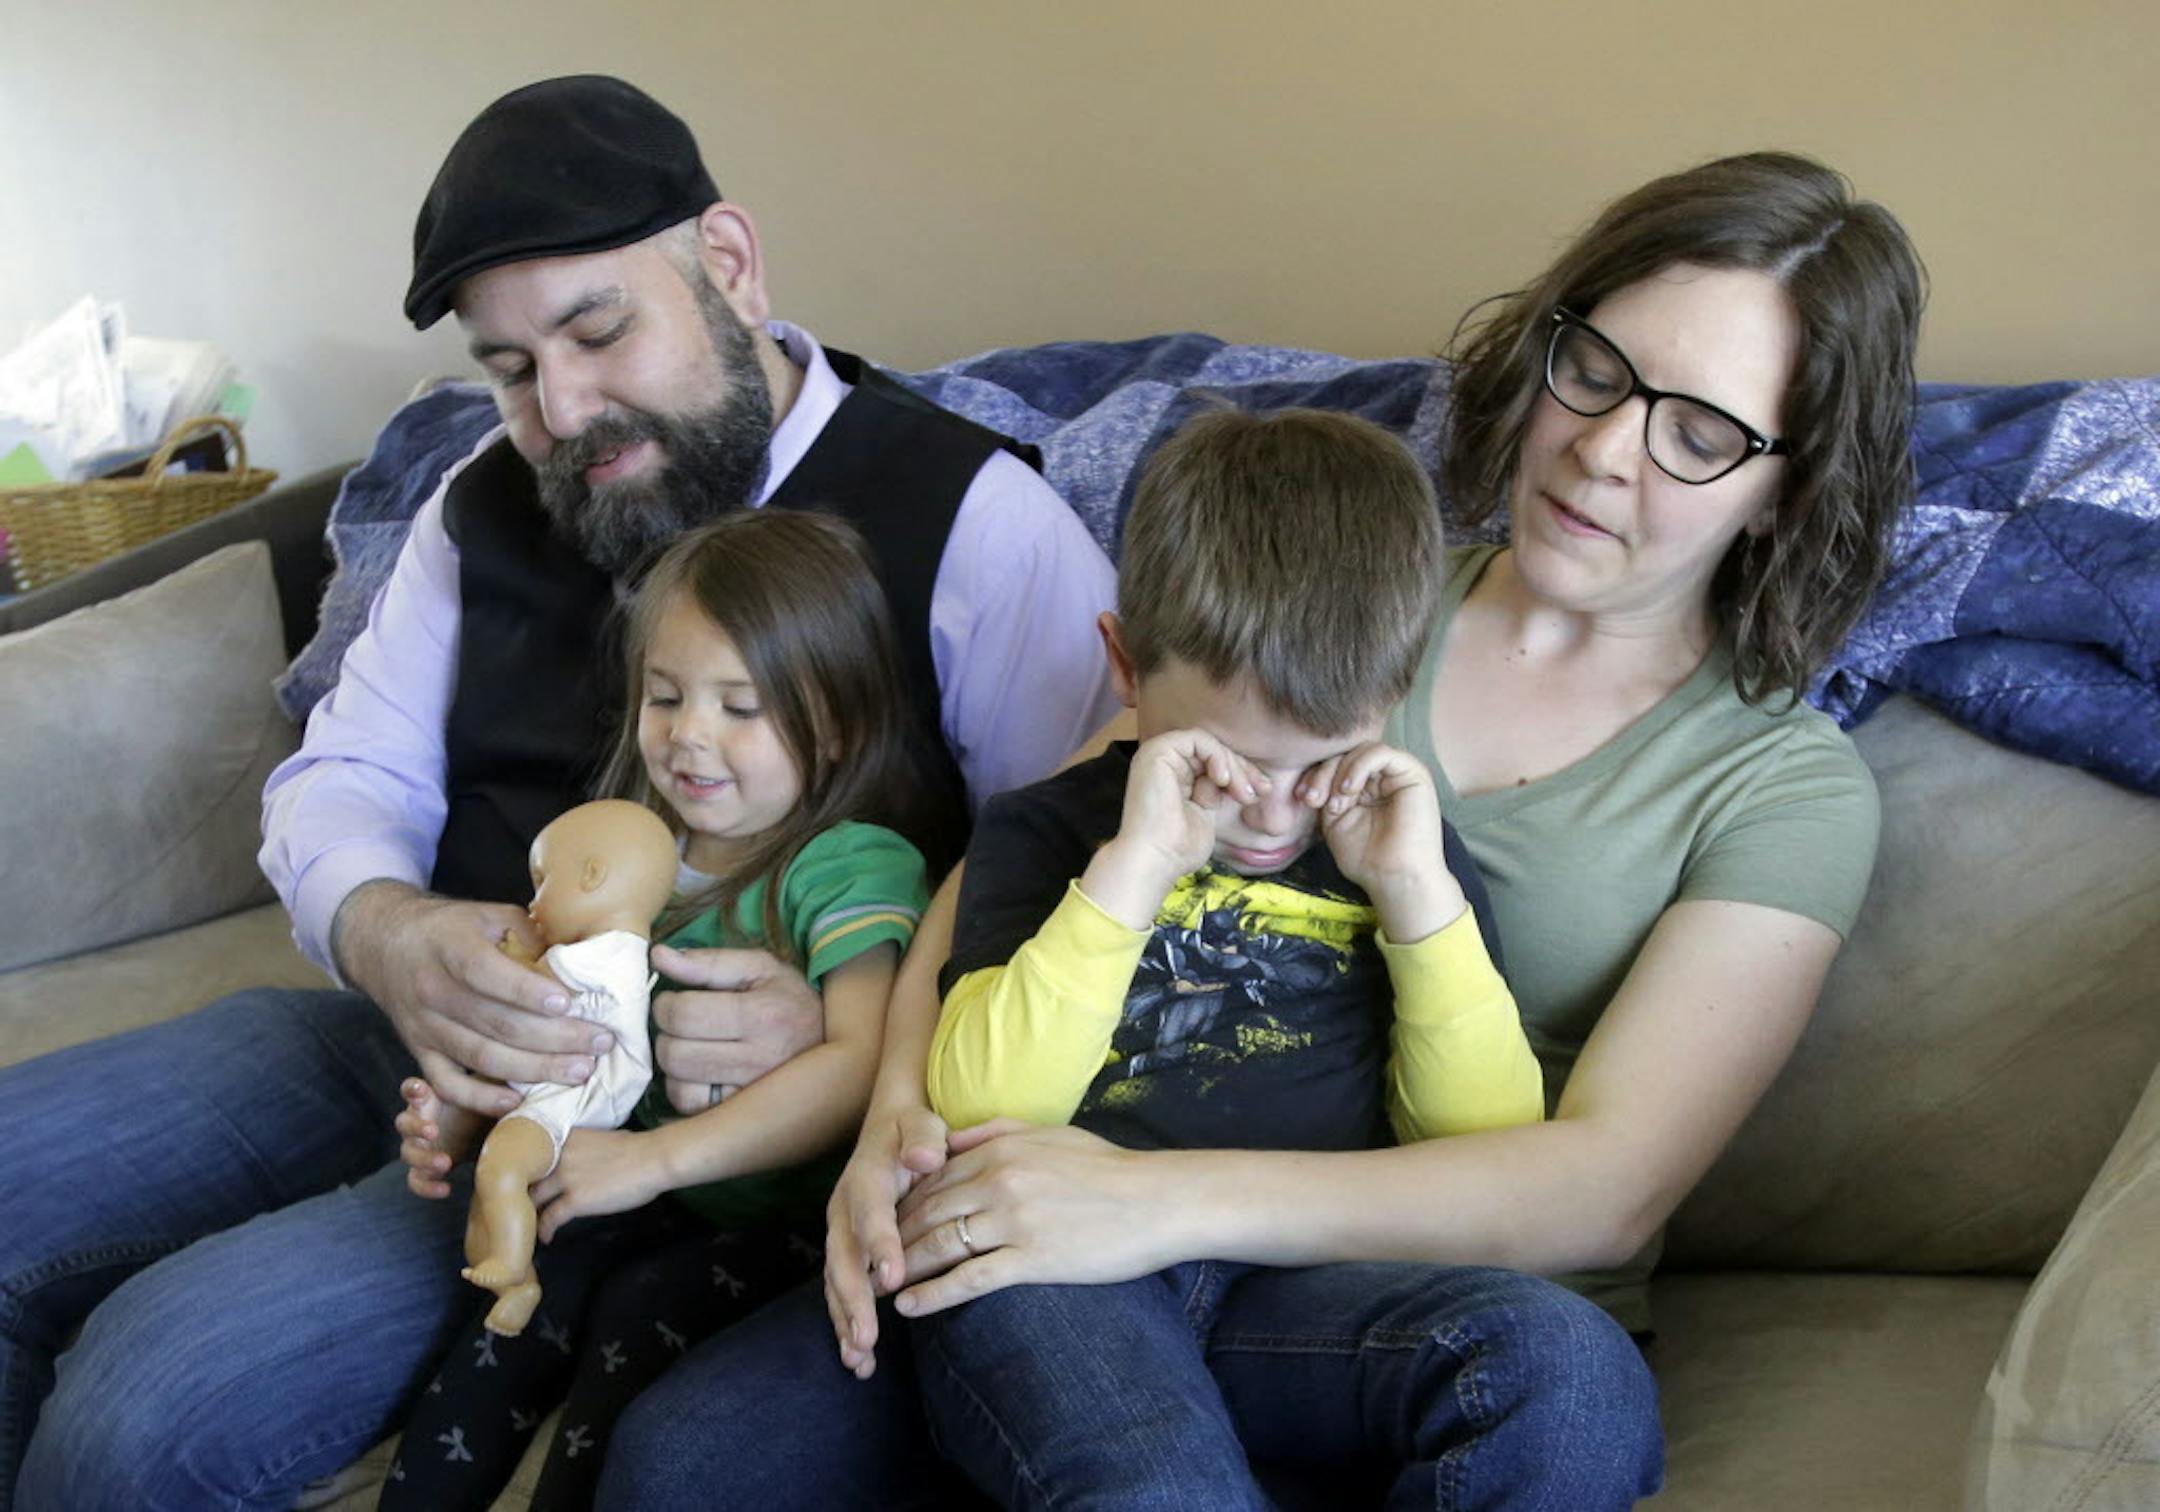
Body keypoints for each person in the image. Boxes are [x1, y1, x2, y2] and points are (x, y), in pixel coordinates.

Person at [596, 151, 1925, 1510]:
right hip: (1065, 1225)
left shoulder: (1781, 786)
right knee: (683, 1464)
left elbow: (1607, 1193)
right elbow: (1041, 843)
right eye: (1592, 369)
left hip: (1385, 1294)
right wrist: (894, 1112)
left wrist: (1164, 1205)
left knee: (1572, 1388)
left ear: (1788, 482)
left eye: (1700, 433)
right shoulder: (1341, 587)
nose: (1602, 447)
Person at [2, 75, 1116, 1509]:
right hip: (401, 1030)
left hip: (660, 1136)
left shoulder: (975, 520)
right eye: (513, 368)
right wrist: (393, 938)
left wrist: (861, 1031)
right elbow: (343, 774)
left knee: (151, 1405)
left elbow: (1084, 879)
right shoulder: (484, 497)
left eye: (599, 332)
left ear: (727, 263)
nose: (566, 407)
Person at [915, 407, 1547, 1504]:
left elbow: (1487, 1150)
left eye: (1325, 762)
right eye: (1227, 762)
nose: (1272, 812)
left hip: (1307, 1298)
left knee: (1565, 1368)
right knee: (1146, 1464)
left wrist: (1415, 901)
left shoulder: (1407, 856)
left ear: (1395, 694)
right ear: (1124, 665)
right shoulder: (1052, 835)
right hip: (1060, 1279)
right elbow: (976, 1097)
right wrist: (1134, 868)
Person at [387, 509, 931, 1511]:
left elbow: (862, 1062)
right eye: (666, 695)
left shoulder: (849, 864)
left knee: (635, 1319)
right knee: (508, 1305)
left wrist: (656, 1160)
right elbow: (576, 1043)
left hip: (784, 1218)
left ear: (842, 724)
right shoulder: (622, 859)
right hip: (631, 1184)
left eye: (743, 706)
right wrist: (483, 1118)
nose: (689, 735)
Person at [451, 798, 679, 1338]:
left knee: (500, 1170)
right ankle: (517, 1283)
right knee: (487, 1200)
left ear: (592, 876)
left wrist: (511, 962)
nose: (532, 903)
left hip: (578, 1092)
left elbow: (541, 991)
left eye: (542, 881)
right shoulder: (604, 950)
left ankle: (512, 1264)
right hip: (567, 1083)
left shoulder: (608, 951)